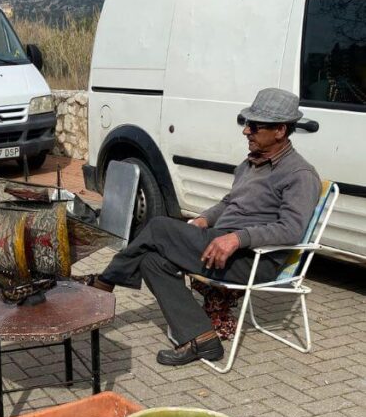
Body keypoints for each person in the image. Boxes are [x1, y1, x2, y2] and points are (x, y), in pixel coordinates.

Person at [92, 88, 321, 366]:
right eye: (245, 123)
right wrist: (204, 219)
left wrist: (237, 238)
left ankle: (103, 284)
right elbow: (228, 203)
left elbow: (291, 229)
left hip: (254, 259)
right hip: (219, 243)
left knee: (159, 227)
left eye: (254, 126)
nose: (246, 131)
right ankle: (202, 338)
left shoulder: (299, 174)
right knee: (152, 260)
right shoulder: (250, 165)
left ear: (280, 130)